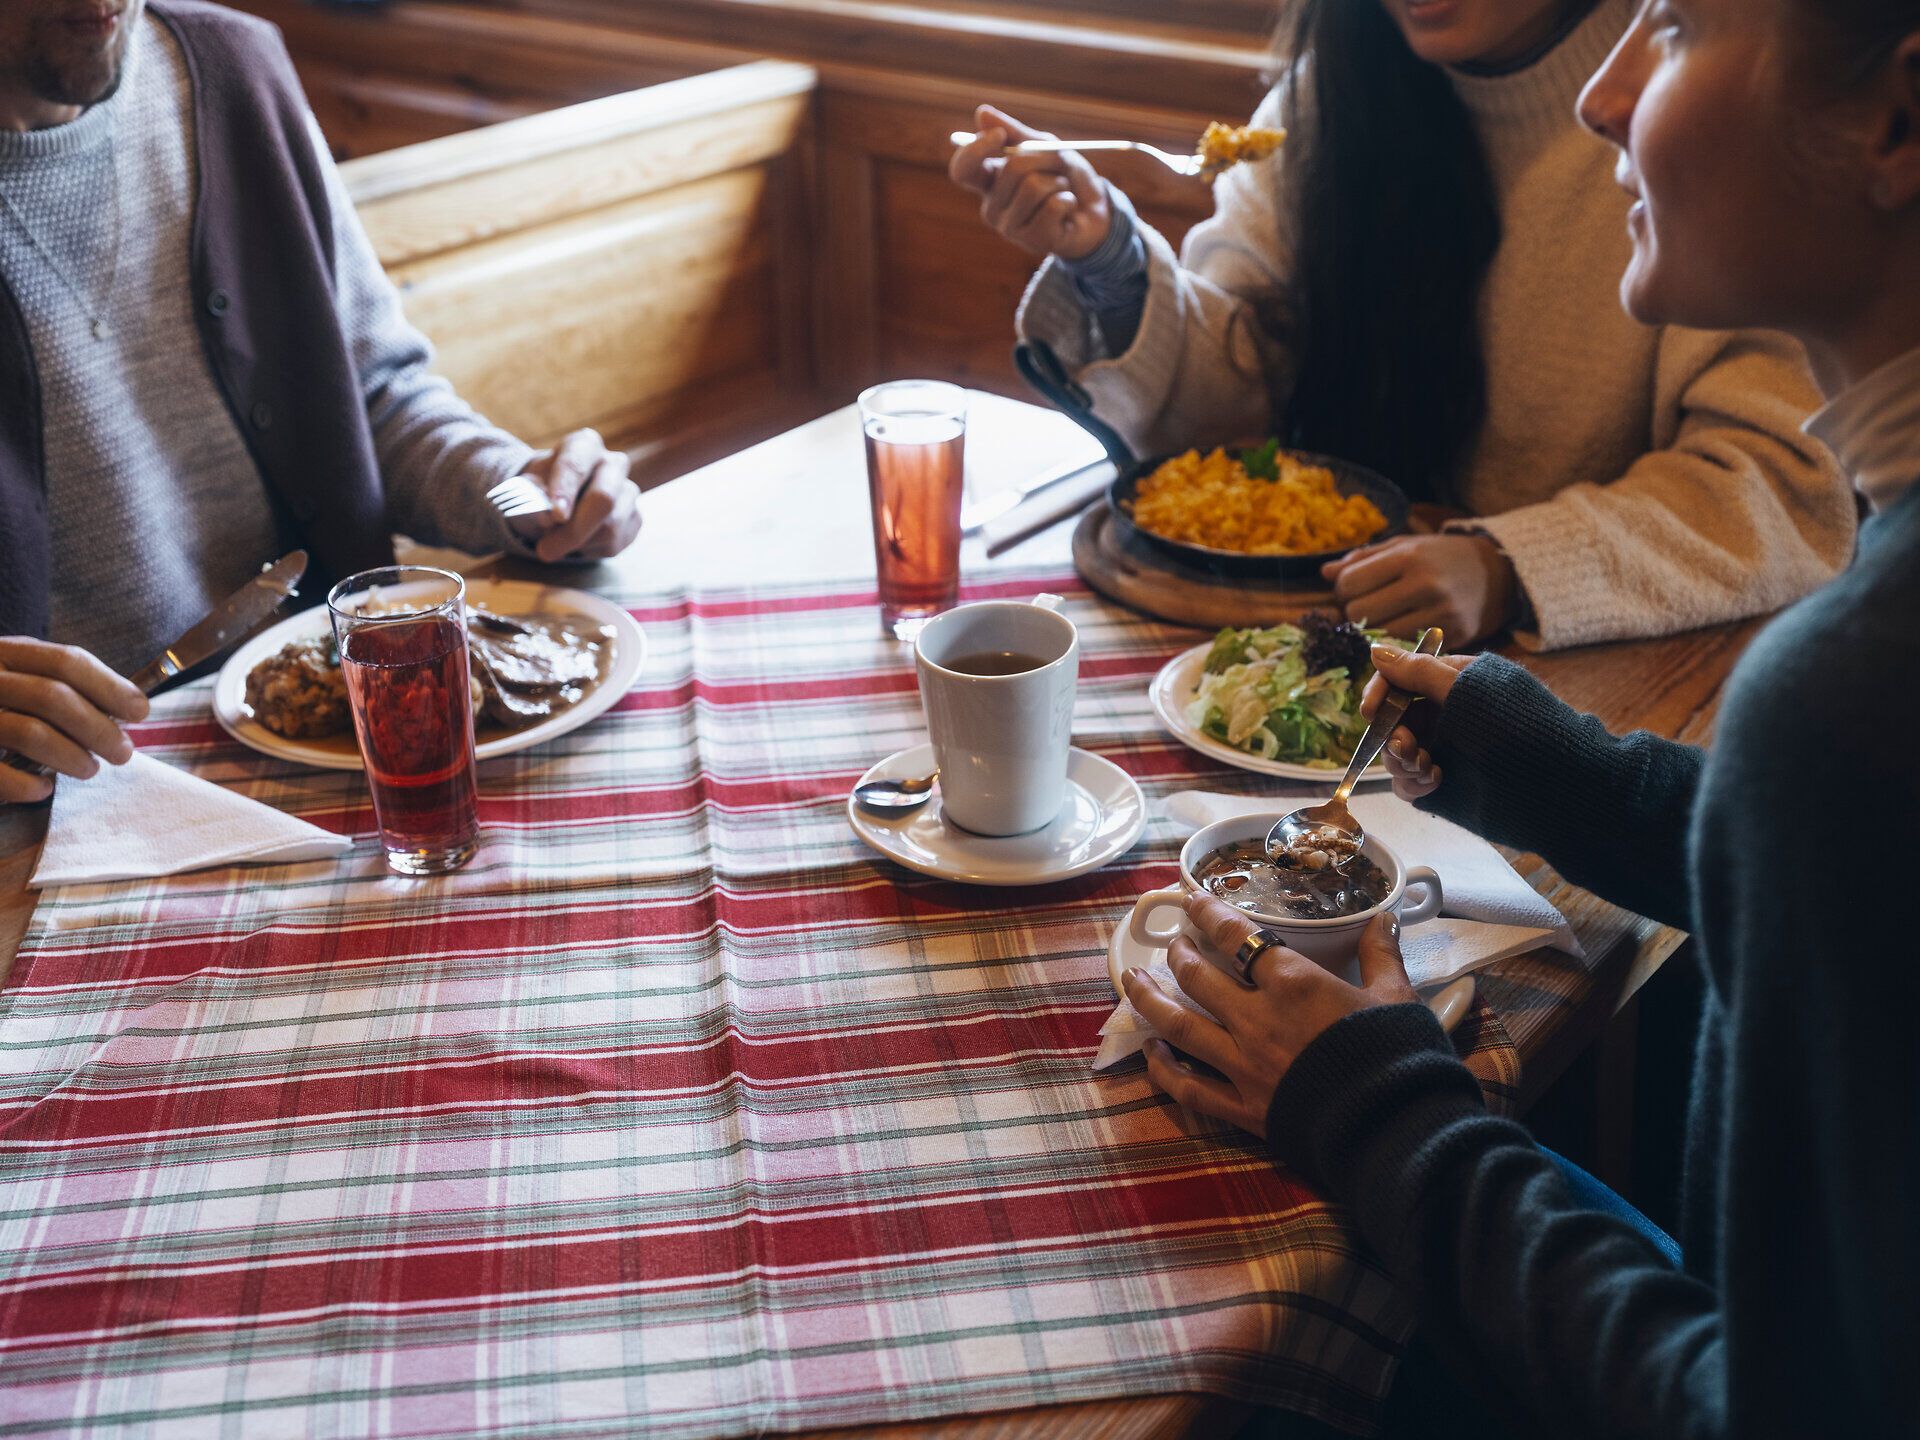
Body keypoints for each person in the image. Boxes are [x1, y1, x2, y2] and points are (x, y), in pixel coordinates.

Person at [1120, 0, 1920, 1433]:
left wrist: (1374, 1108)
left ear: (1898, 123)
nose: (1603, 97)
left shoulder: (1850, 699)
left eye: (1671, 30)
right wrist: (1570, 775)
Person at [949, 0, 1856, 652]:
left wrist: (1504, 566)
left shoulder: (1696, 93)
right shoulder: (1330, 90)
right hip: (1331, 650)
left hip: (1609, 689)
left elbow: (1782, 486)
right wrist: (1110, 261)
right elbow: (1229, 428)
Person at [0, 0, 642, 805]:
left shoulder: (233, 70)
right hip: (58, 797)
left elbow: (377, 396)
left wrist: (523, 492)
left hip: (339, 739)